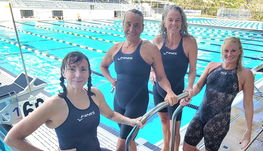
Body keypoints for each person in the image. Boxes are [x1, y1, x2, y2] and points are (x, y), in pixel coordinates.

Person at [4, 51, 142, 151]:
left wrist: (131, 121)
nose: (78, 75)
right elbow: (12, 139)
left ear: (89, 73)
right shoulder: (54, 104)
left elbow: (111, 115)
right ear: (63, 72)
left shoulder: (95, 94)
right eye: (72, 69)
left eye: (83, 69)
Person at [100, 9, 178, 151]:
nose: (132, 29)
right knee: (130, 139)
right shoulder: (116, 49)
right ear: (123, 24)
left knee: (121, 144)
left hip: (137, 103)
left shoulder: (150, 49)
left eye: (136, 25)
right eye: (128, 24)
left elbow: (161, 76)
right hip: (118, 103)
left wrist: (169, 91)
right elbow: (103, 66)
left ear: (142, 27)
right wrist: (112, 80)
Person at [183, 37, 254, 151]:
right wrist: (189, 95)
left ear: (240, 51)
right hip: (200, 115)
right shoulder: (212, 66)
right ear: (222, 51)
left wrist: (248, 131)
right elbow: (198, 86)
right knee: (187, 148)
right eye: (226, 51)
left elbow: (248, 104)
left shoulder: (245, 74)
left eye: (233, 51)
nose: (229, 54)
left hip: (219, 121)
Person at [150, 5, 198, 151]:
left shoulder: (189, 42)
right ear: (164, 21)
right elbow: (153, 64)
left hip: (176, 92)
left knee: (175, 129)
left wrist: (189, 87)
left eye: (177, 20)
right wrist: (152, 72)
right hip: (158, 90)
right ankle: (166, 148)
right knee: (164, 124)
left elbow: (193, 70)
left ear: (182, 22)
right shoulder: (157, 40)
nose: (174, 23)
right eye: (170, 20)